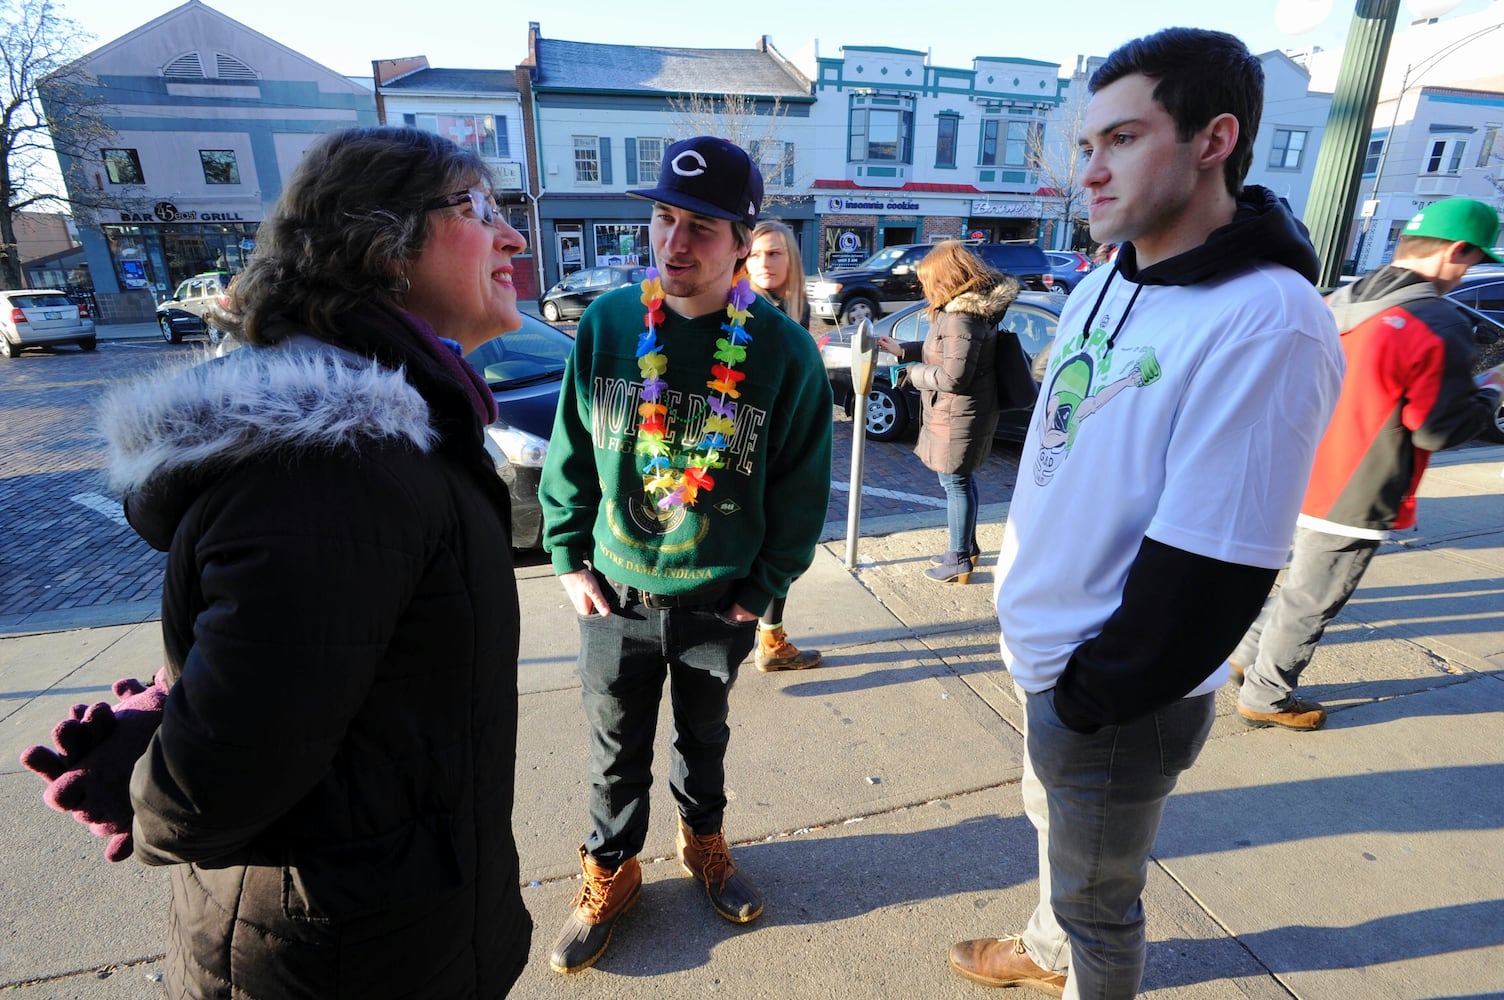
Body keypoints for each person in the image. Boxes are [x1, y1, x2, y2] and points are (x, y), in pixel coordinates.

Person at [948, 29, 1344, 998]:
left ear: (1214, 140)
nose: (1090, 171)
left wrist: (1087, 699)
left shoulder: (1266, 317)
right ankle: (1045, 952)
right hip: (1051, 656)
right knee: (1059, 848)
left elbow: (1215, 573)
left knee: (1098, 906)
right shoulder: (1109, 274)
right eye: (1087, 146)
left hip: (1115, 694)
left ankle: (1067, 956)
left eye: (1121, 140)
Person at [91, 127, 531, 997]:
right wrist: (145, 774)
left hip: (381, 936)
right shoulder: (335, 471)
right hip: (334, 961)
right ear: (383, 243)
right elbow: (199, 794)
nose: (513, 236)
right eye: (479, 209)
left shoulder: (389, 443)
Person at [537, 136, 832, 974]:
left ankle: (704, 843)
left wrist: (763, 589)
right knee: (614, 748)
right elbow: (569, 452)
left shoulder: (781, 350)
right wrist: (567, 555)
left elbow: (803, 488)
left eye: (701, 226)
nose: (674, 242)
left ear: (744, 242)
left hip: (718, 597)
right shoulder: (608, 324)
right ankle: (610, 868)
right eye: (665, 218)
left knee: (704, 737)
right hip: (615, 594)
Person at [1231, 197, 1504, 731]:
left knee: (1299, 583)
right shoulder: (1436, 321)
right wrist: (1490, 391)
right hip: (1358, 484)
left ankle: (1245, 657)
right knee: (1314, 597)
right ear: (1456, 252)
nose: (1468, 271)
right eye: (1471, 261)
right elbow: (1438, 428)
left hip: (1301, 467)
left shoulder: (1342, 300)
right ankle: (1266, 697)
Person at [875, 240, 1030, 584]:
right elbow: (945, 353)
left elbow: (953, 377)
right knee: (961, 480)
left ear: (946, 277)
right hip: (964, 412)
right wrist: (903, 350)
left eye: (927, 280)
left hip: (959, 414)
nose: (923, 287)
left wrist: (913, 374)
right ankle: (966, 547)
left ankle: (959, 558)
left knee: (955, 482)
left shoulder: (961, 317)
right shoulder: (967, 312)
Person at [745, 219, 821, 670]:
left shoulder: (795, 310)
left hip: (784, 449)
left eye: (774, 253)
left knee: (782, 544)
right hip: (745, 449)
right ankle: (756, 640)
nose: (764, 262)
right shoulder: (741, 305)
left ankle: (770, 639)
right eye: (755, 254)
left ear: (791, 258)